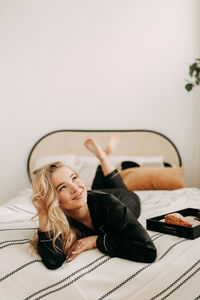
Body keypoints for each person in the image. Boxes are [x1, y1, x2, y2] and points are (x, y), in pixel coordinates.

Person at [31, 136, 157, 270]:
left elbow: (148, 251)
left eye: (74, 178)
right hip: (93, 196)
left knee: (109, 192)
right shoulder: (60, 217)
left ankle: (103, 158)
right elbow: (53, 261)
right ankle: (104, 158)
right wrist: (44, 208)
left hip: (126, 198)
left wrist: (96, 241)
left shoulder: (110, 205)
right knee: (93, 191)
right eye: (62, 187)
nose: (75, 188)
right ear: (53, 198)